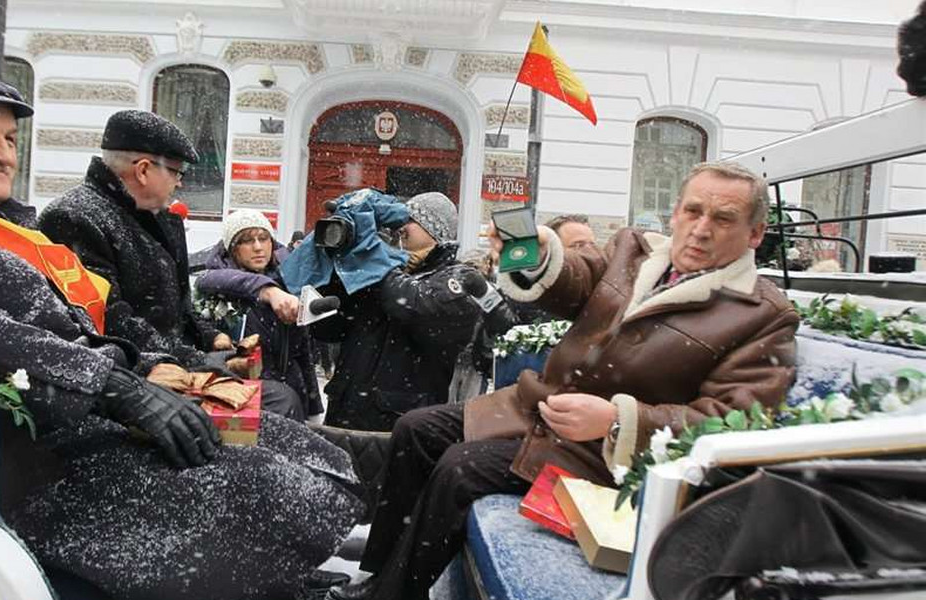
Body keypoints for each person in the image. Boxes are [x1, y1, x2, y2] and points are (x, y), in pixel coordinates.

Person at [0, 62, 361, 600]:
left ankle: (286, 570)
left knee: (295, 446)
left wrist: (137, 367)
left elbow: (79, 319)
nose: (4, 153)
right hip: (21, 448)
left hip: (83, 409)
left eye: (9, 139)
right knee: (266, 486)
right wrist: (117, 386)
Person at [328, 161, 800, 600]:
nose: (700, 229)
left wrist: (618, 420)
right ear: (676, 212)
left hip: (603, 455)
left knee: (460, 467)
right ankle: (378, 570)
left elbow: (730, 421)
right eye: (693, 211)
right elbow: (576, 280)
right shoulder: (634, 252)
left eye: (723, 218)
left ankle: (393, 594)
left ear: (755, 233)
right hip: (540, 409)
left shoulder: (763, 316)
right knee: (415, 428)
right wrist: (533, 255)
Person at [39, 110, 231, 372]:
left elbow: (178, 308)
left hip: (171, 370)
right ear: (143, 170)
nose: (179, 183)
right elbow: (113, 321)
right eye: (177, 172)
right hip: (136, 379)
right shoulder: (73, 218)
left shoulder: (156, 218)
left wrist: (211, 338)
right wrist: (197, 362)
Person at [311, 192, 487, 431]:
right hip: (345, 410)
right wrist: (337, 269)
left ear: (435, 230)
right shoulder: (382, 271)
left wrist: (373, 257)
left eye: (411, 220)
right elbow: (327, 330)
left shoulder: (461, 278)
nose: (400, 226)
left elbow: (414, 306)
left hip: (400, 424)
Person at [195, 209, 323, 420]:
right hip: (238, 401)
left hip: (289, 396)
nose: (257, 247)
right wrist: (268, 291)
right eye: (246, 241)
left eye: (263, 238)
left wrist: (313, 406)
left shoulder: (288, 286)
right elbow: (212, 279)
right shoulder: (217, 286)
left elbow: (302, 352)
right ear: (232, 250)